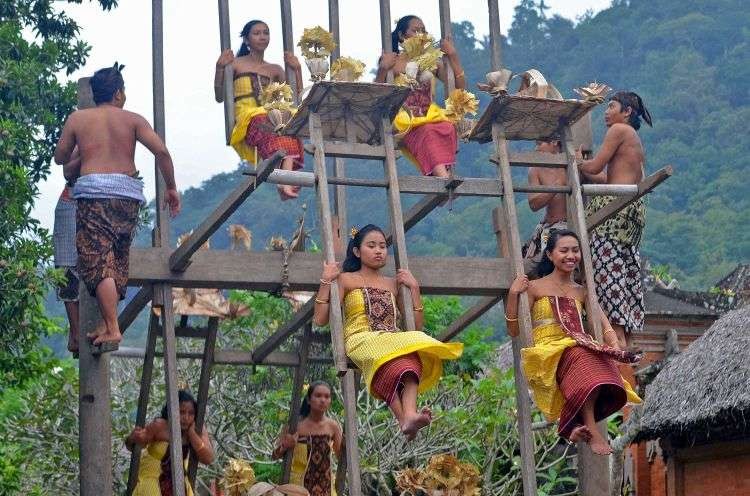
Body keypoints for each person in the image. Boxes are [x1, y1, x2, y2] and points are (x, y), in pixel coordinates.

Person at [53, 64, 180, 352]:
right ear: (119, 93)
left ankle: (112, 326)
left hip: (94, 195)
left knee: (98, 263)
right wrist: (171, 187)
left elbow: (61, 157)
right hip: (128, 197)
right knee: (117, 259)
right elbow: (161, 151)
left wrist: (83, 148)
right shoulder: (133, 119)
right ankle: (105, 324)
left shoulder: (78, 119)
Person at [313, 224, 463, 440]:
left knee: (412, 357)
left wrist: (414, 289)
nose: (379, 251)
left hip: (392, 340)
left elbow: (416, 327)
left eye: (383, 246)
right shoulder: (346, 279)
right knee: (391, 356)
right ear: (357, 251)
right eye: (371, 245)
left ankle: (407, 417)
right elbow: (320, 319)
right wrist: (326, 280)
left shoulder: (393, 284)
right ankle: (406, 417)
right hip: (360, 339)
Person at [505, 229, 642, 455]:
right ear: (550, 255)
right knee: (581, 355)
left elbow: (604, 324)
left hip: (578, 345)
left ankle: (573, 425)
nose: (571, 255)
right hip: (548, 350)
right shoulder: (535, 287)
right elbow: (513, 330)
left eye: (575, 250)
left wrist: (614, 348)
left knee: (602, 365)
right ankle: (589, 427)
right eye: (564, 250)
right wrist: (512, 294)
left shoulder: (582, 292)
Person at [576, 91, 653, 347]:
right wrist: (587, 170)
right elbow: (608, 178)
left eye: (611, 106)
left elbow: (595, 167)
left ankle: (613, 338)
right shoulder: (634, 139)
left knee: (607, 286)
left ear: (627, 111)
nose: (607, 112)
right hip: (628, 212)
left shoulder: (619, 130)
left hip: (612, 212)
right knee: (621, 275)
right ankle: (619, 336)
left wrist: (576, 162)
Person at [215, 20, 304, 200]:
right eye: (257, 33)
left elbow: (295, 99)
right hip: (247, 117)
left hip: (271, 115)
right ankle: (283, 182)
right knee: (269, 123)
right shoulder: (236, 64)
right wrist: (220, 67)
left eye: (266, 32)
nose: (262, 36)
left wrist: (297, 69)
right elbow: (219, 96)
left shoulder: (276, 69)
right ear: (246, 39)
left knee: (291, 125)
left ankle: (283, 183)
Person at [375, 15, 466, 178]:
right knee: (427, 131)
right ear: (402, 36)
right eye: (415, 30)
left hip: (431, 114)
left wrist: (453, 55)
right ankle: (442, 178)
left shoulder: (432, 61)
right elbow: (376, 95)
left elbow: (459, 88)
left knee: (447, 127)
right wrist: (383, 69)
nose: (420, 35)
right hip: (405, 117)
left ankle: (441, 176)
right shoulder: (393, 61)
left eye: (423, 31)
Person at [126, 390, 213, 496]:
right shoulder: (160, 425)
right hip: (151, 478)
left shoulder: (196, 428)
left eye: (191, 413)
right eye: (181, 412)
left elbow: (208, 459)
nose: (186, 417)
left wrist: (193, 435)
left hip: (179, 482)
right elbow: (134, 445)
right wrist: (132, 438)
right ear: (172, 411)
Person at [272, 381, 342, 495]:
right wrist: (285, 446)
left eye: (327, 396)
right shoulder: (294, 425)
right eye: (318, 396)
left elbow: (342, 458)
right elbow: (274, 456)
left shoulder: (333, 426)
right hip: (297, 489)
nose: (323, 400)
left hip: (326, 488)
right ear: (309, 400)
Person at [522, 139, 568, 270]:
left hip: (569, 228)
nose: (536, 149)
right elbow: (533, 204)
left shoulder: (572, 164)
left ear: (554, 142)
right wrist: (557, 186)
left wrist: (581, 163)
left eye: (539, 144)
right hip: (547, 228)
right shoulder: (536, 169)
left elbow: (602, 178)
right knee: (540, 257)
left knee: (552, 255)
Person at [54, 149, 81, 357]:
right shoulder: (79, 126)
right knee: (67, 268)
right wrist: (91, 150)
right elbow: (67, 171)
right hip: (72, 200)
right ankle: (76, 331)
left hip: (103, 200)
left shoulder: (117, 125)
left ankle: (87, 328)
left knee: (101, 269)